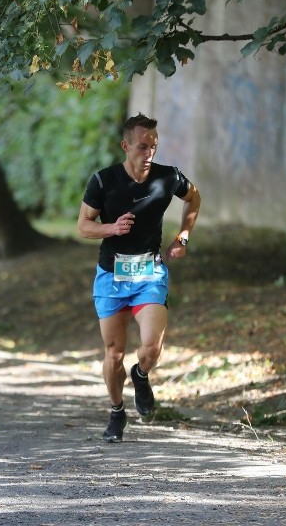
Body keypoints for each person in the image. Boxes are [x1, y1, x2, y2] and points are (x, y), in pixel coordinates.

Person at [77, 113, 201, 443]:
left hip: (149, 272)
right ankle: (117, 411)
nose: (149, 153)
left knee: (151, 346)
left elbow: (194, 197)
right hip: (112, 276)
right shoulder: (103, 181)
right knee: (114, 353)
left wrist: (183, 237)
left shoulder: (168, 177)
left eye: (154, 147)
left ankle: (141, 374)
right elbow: (83, 225)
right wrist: (111, 228)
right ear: (125, 145)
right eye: (142, 146)